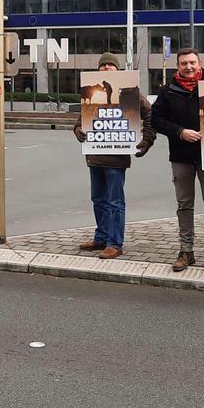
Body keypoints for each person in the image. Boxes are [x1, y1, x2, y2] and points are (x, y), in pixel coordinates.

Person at [151, 47, 204, 277]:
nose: (188, 67)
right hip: (181, 155)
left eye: (192, 62)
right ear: (178, 66)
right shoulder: (168, 91)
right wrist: (179, 132)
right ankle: (186, 251)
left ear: (200, 63)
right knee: (184, 205)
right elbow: (156, 119)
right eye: (184, 63)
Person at [72, 52, 154, 260]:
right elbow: (82, 119)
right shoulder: (91, 89)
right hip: (94, 155)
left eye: (111, 65)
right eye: (103, 65)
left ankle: (115, 243)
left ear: (117, 69)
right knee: (98, 198)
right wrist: (78, 129)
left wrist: (147, 139)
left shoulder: (130, 91)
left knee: (115, 201)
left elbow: (150, 113)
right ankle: (101, 237)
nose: (107, 68)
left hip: (116, 157)